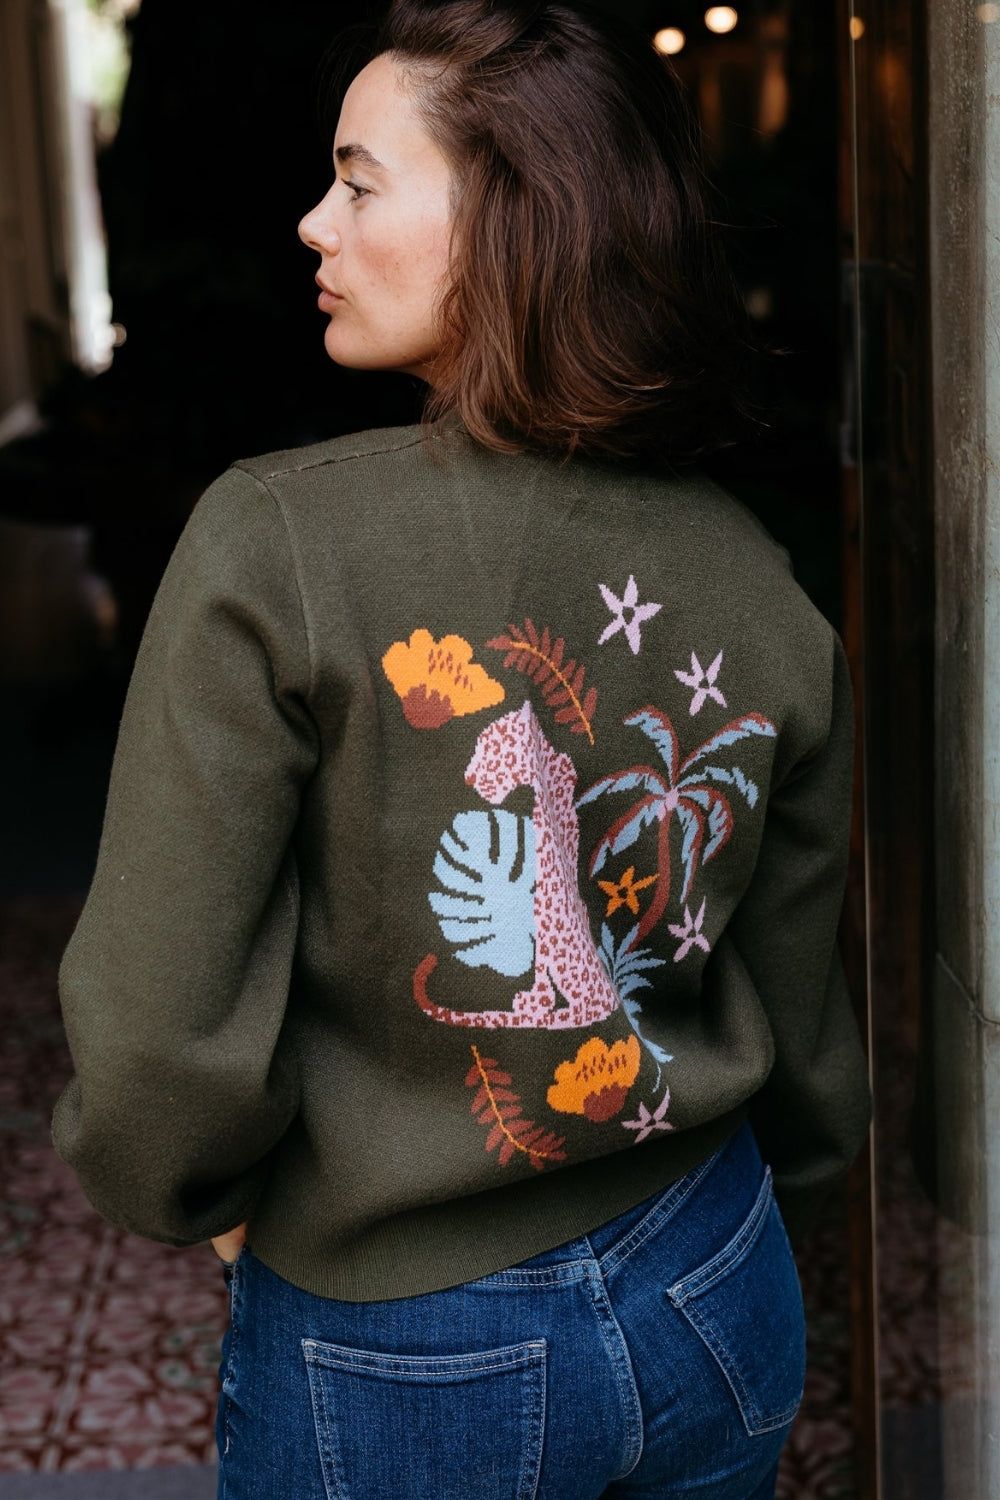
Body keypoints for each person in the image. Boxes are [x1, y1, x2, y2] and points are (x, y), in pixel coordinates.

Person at [52, 2, 872, 1496]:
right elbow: (800, 982)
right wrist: (787, 1171)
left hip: (400, 1336)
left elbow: (156, 1021)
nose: (313, 222)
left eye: (360, 181)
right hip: (715, 1274)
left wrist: (216, 1201)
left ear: (509, 225)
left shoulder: (277, 540)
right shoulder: (761, 572)